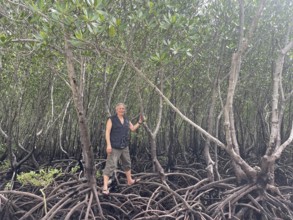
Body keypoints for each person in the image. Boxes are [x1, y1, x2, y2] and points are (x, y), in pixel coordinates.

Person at [102, 103, 143, 195]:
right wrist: (108, 145)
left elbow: (132, 129)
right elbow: (107, 132)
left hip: (124, 146)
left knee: (127, 163)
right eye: (120, 108)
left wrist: (140, 122)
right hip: (114, 147)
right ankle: (105, 187)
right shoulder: (111, 119)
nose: (121, 110)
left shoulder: (127, 120)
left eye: (123, 109)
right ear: (116, 110)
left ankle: (130, 180)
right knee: (110, 166)